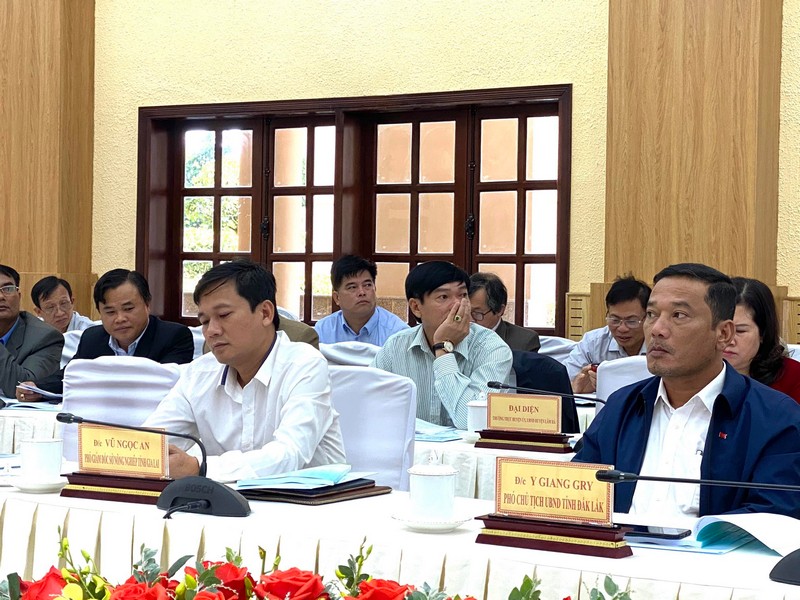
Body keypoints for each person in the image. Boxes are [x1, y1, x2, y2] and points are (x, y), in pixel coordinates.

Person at [575, 263, 800, 518]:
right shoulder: (622, 406)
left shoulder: (776, 419)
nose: (657, 330)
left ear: (723, 333)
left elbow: (772, 518)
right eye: (651, 314)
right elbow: (579, 492)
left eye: (679, 315)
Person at [144, 260, 345, 481]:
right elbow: (149, 443)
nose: (211, 331)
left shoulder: (305, 364)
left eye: (224, 315)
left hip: (313, 499)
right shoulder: (199, 373)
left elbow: (289, 454)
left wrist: (199, 468)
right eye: (205, 321)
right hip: (224, 501)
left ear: (265, 313)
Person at [371, 261, 513, 429]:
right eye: (443, 297)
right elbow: (367, 406)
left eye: (463, 295)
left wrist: (443, 348)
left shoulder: (493, 349)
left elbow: (472, 422)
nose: (457, 305)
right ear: (416, 307)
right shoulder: (395, 347)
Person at [23, 269, 194, 397]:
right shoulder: (92, 338)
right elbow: (71, 376)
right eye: (110, 312)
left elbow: (162, 385)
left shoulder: (175, 336)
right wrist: (36, 387)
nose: (120, 319)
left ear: (147, 304)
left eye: (128, 309)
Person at [564, 275, 650, 393]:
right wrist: (575, 388)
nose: (622, 328)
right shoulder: (593, 343)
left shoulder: (661, 344)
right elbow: (561, 383)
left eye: (631, 321)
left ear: (649, 317)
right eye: (615, 320)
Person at [723, 277, 800, 403]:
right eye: (722, 330)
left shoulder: (793, 376)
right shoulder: (695, 373)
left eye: (740, 331)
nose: (729, 340)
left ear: (763, 333)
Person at [314, 255, 407, 345]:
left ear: (375, 289)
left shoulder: (398, 333)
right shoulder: (322, 331)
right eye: (352, 287)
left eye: (367, 285)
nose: (362, 292)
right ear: (337, 298)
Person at [0, 264, 63, 397]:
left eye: (8, 289)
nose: (1, 296)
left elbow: (25, 390)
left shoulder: (45, 338)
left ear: (19, 296)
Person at [469, 272, 540, 352]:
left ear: (500, 310)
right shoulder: (458, 335)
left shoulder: (524, 341)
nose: (470, 320)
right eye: (465, 311)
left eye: (477, 313)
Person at [31, 276, 95, 333]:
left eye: (64, 303)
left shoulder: (89, 331)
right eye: (50, 307)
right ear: (39, 312)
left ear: (72, 302)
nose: (60, 313)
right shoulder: (33, 331)